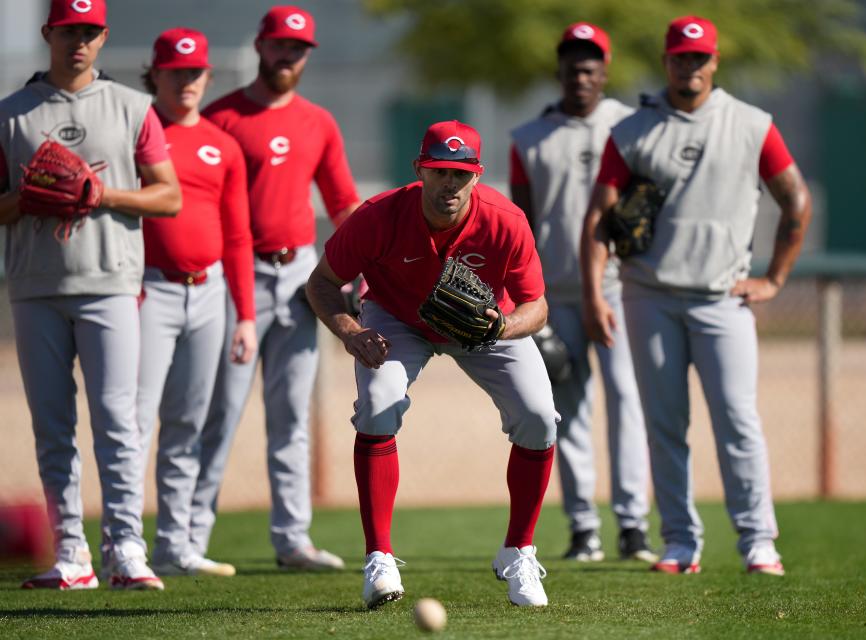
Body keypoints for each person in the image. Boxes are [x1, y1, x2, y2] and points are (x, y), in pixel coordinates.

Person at [581, 16, 812, 576]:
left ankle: (759, 541)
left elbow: (796, 200)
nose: (691, 67)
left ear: (714, 63)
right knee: (664, 423)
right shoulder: (633, 131)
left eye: (700, 58)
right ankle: (681, 541)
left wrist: (775, 279)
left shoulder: (752, 124)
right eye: (681, 58)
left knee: (737, 420)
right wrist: (593, 295)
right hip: (647, 294)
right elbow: (600, 217)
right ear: (667, 62)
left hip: (721, 299)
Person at [306, 120, 558, 608]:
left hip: (484, 323)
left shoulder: (505, 220)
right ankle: (378, 558)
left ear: (478, 176)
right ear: (419, 169)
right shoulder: (378, 216)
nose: (450, 184)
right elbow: (321, 283)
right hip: (397, 319)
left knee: (539, 417)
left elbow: (537, 307)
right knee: (378, 406)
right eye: (440, 171)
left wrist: (501, 326)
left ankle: (519, 551)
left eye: (461, 174)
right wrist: (352, 331)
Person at [0, 0, 181, 590]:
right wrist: (26, 200)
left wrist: (101, 194)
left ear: (102, 37)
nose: (78, 40)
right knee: (53, 427)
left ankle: (126, 548)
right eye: (68, 30)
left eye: (89, 31)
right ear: (49, 32)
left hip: (110, 283)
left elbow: (168, 197)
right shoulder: (10, 114)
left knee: (116, 421)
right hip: (36, 286)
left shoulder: (133, 107)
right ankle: (71, 552)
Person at [192, 5, 361, 571]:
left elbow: (342, 204)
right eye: (280, 45)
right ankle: (188, 539)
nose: (288, 55)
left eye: (299, 48)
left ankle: (292, 540)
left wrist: (366, 262)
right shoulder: (221, 118)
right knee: (219, 411)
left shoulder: (318, 122)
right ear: (261, 46)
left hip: (300, 279)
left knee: (291, 415)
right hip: (235, 278)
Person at [510, 22, 656, 564]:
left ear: (605, 71)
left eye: (591, 65)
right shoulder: (528, 136)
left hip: (617, 288)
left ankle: (633, 525)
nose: (581, 74)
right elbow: (521, 222)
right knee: (564, 410)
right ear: (560, 71)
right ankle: (583, 528)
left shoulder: (630, 125)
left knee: (626, 402)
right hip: (553, 295)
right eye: (572, 64)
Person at [136, 27, 257, 578]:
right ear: (155, 74)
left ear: (208, 76)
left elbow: (237, 237)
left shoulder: (222, 143)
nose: (186, 80)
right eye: (175, 71)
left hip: (208, 295)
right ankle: (124, 546)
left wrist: (246, 316)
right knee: (133, 423)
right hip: (147, 290)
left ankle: (175, 546)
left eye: (195, 72)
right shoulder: (137, 131)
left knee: (187, 422)